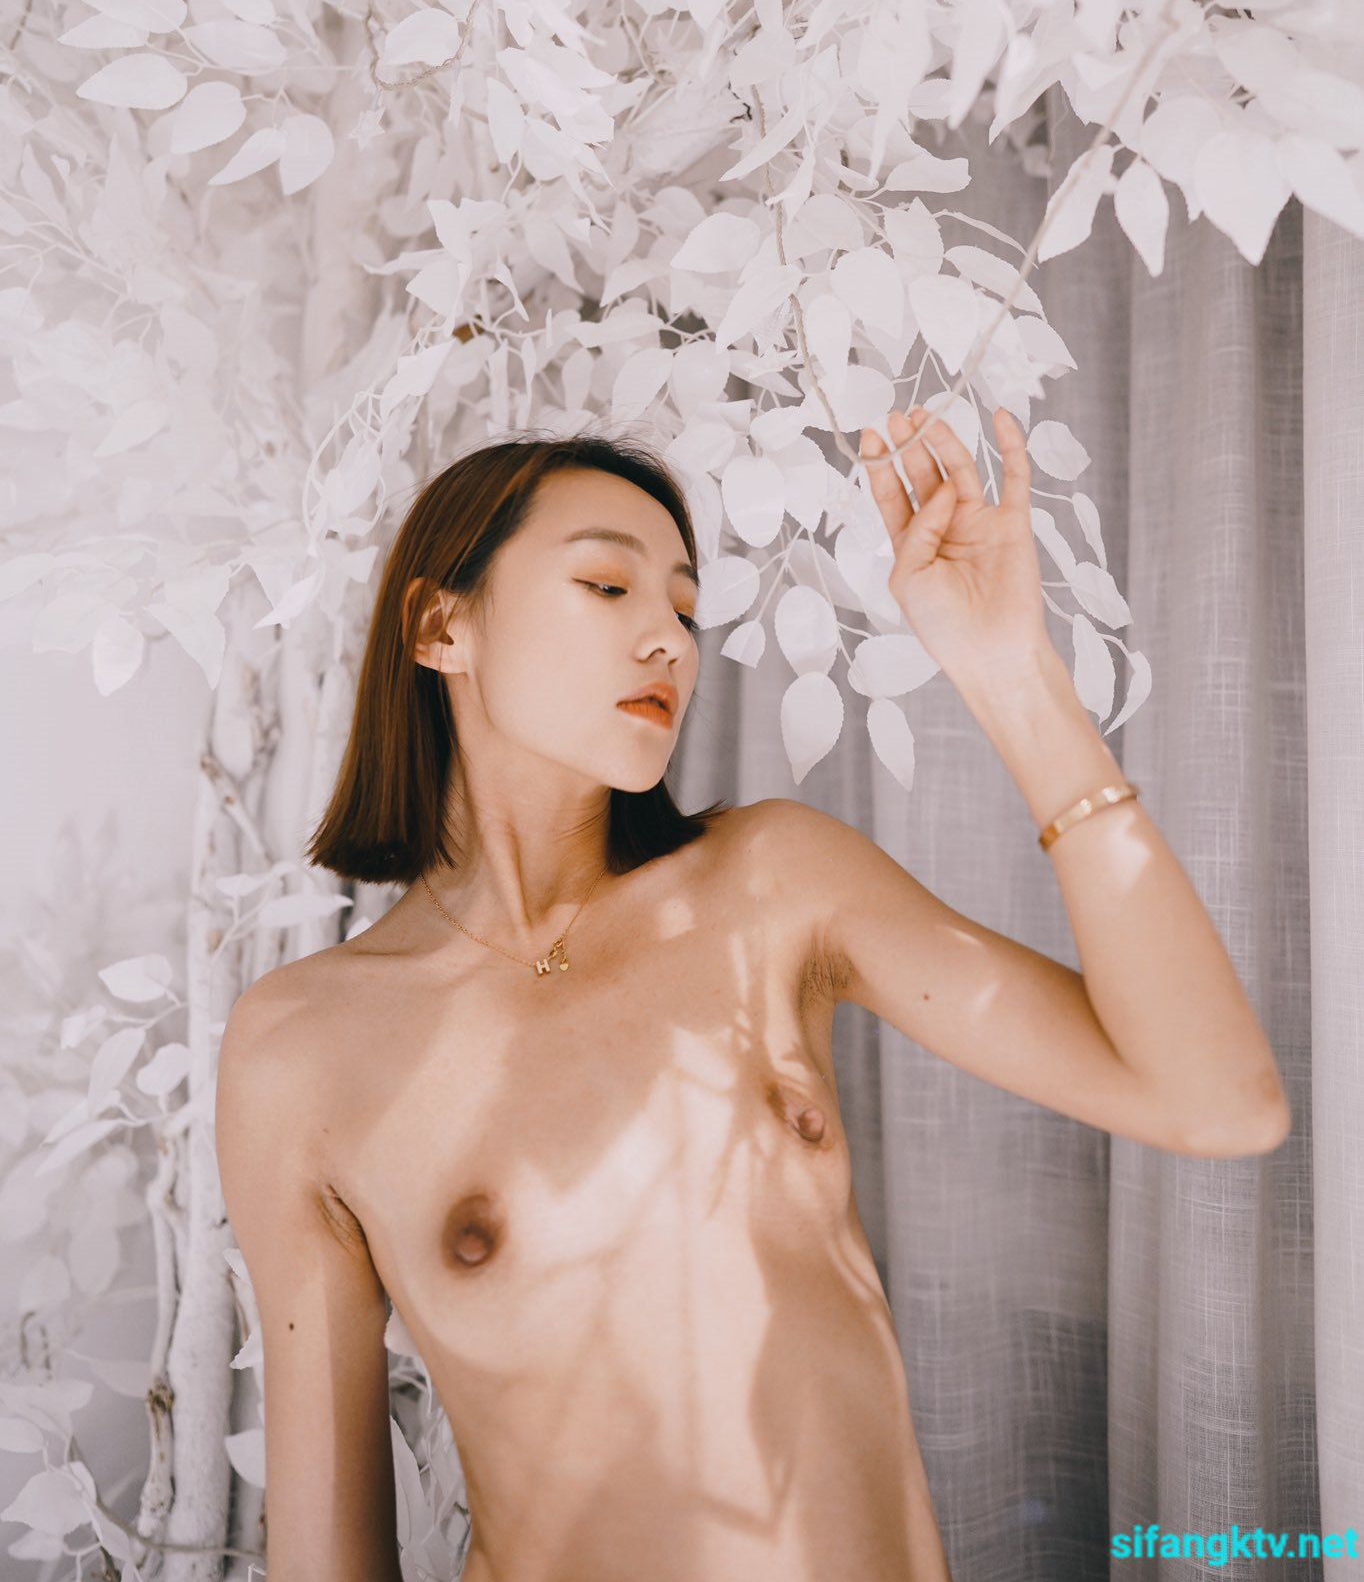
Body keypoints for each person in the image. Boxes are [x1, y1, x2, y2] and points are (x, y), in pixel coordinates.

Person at [214, 412, 1290, 1582]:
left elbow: (1215, 1101)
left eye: (684, 609)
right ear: (439, 626)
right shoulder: (300, 1048)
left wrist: (1010, 669)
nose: (667, 640)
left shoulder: (773, 882)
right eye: (606, 584)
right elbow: (324, 1554)